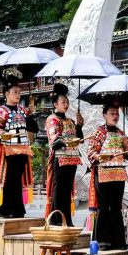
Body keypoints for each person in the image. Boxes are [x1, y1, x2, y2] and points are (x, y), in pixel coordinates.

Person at [0, 79, 37, 218]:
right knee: (8, 178)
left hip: (22, 149)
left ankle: (17, 208)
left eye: (19, 92)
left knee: (17, 179)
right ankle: (5, 207)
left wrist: (31, 115)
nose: (18, 95)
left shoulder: (23, 111)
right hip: (8, 150)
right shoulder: (1, 111)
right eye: (15, 92)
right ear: (6, 94)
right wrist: (4, 134)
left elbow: (33, 128)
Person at [88, 103, 128, 250]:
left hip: (119, 173)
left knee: (117, 207)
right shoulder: (99, 132)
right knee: (104, 207)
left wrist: (126, 146)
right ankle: (103, 241)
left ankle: (118, 241)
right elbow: (91, 152)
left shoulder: (121, 133)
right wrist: (100, 157)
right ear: (104, 115)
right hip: (104, 173)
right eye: (112, 113)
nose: (115, 116)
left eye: (117, 113)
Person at [44, 84, 83, 226]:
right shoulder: (52, 119)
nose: (66, 104)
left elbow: (79, 138)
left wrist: (79, 125)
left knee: (67, 191)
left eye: (67, 102)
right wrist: (67, 141)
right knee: (59, 189)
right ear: (55, 104)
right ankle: (56, 219)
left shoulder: (71, 121)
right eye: (63, 102)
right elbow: (55, 141)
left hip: (72, 159)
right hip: (59, 158)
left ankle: (67, 220)